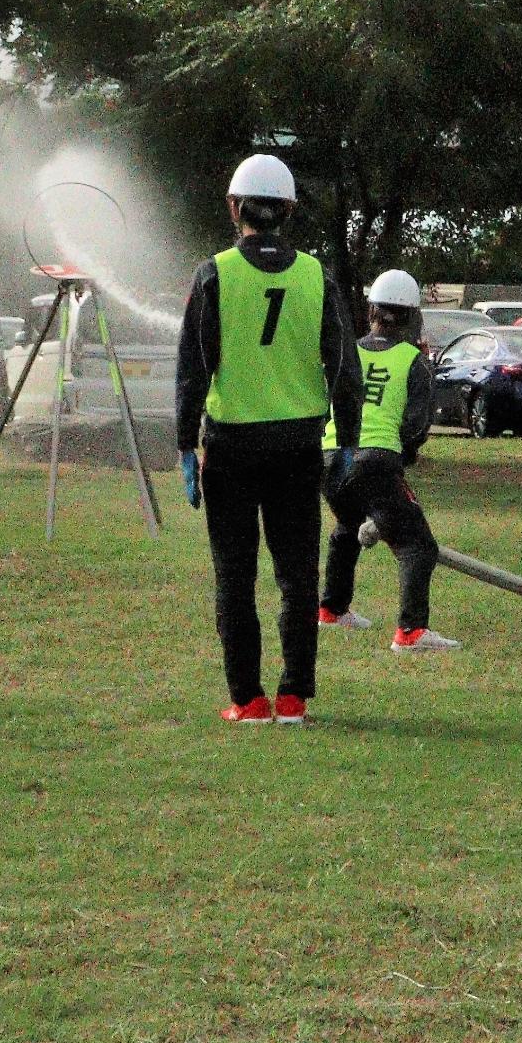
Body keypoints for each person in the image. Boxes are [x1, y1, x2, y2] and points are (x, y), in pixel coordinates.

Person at [176, 154, 358, 725]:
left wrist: (185, 444)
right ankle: (294, 695)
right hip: (298, 447)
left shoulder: (214, 274)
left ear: (235, 209)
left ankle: (247, 699)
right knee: (298, 576)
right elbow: (344, 367)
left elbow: (192, 369)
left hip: (229, 446)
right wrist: (346, 440)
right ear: (289, 211)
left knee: (235, 576)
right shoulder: (317, 277)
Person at [319, 267, 461, 654]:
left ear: (371, 312)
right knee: (417, 545)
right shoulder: (413, 362)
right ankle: (412, 631)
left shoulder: (345, 351)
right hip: (376, 460)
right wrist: (402, 458)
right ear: (413, 317)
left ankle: (332, 609)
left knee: (347, 525)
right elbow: (415, 427)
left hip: (330, 459)